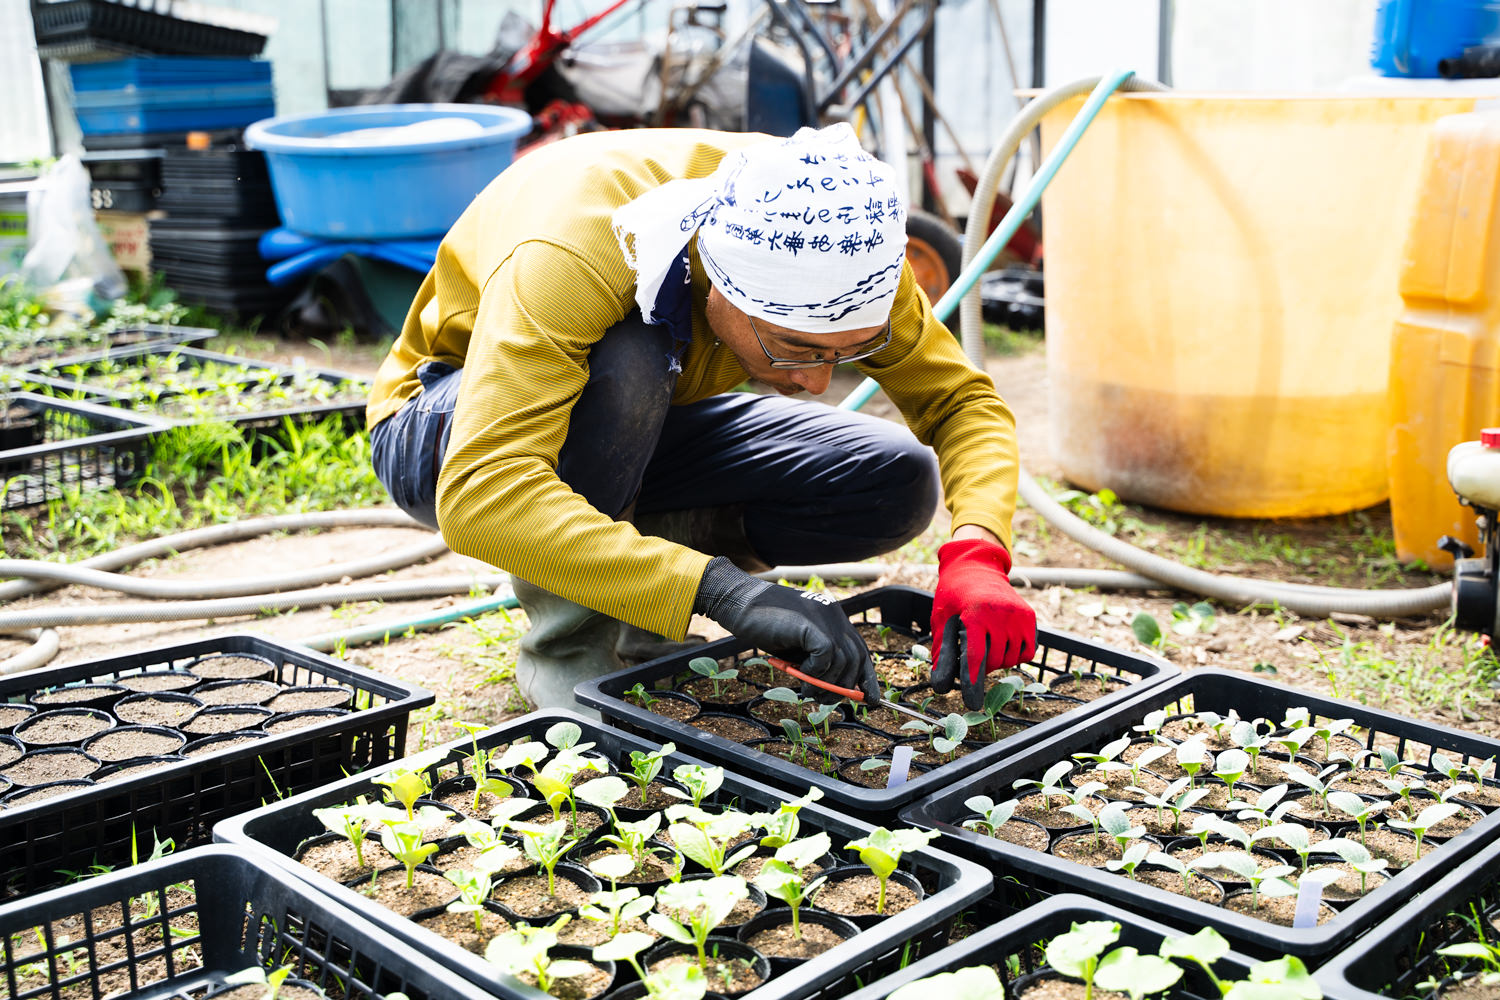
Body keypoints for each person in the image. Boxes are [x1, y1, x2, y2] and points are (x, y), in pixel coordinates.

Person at [367, 122, 1036, 714]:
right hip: (445, 432)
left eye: (846, 353)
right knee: (630, 356)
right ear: (718, 285)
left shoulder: (843, 243)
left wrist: (978, 554)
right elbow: (481, 493)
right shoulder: (579, 251)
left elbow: (962, 403)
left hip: (646, 424)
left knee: (892, 476)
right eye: (795, 348)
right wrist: (720, 591)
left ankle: (632, 580)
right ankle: (571, 650)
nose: (814, 383)